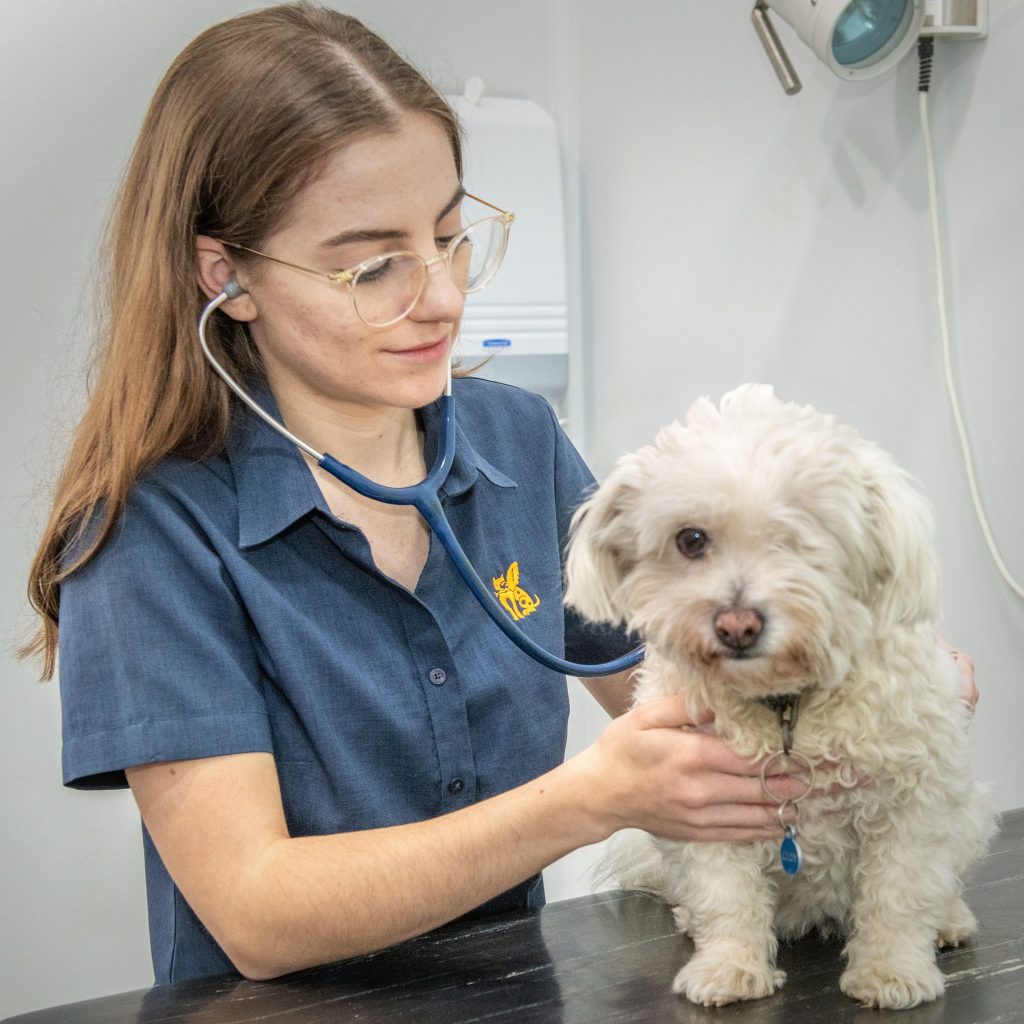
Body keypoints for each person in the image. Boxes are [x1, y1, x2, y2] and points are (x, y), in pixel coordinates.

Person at [23, 2, 978, 987]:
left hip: (513, 990)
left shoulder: (516, 441)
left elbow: (666, 691)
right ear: (228, 274)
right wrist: (586, 802)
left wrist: (861, 672)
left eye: (449, 235)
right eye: (370, 264)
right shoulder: (150, 533)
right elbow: (257, 912)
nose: (438, 294)